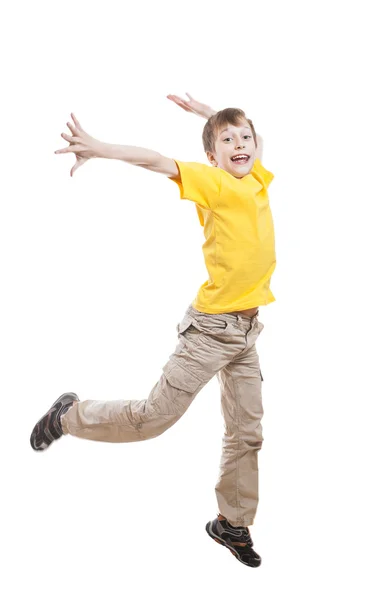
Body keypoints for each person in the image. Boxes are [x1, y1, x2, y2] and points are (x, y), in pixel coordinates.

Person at [30, 93, 276, 569]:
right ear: (212, 157)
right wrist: (99, 147)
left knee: (247, 433)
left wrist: (215, 118)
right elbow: (156, 160)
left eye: (245, 137)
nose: (242, 144)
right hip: (211, 331)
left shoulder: (257, 176)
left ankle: (232, 523)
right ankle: (68, 416)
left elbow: (253, 138)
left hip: (247, 334)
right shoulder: (215, 182)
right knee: (152, 420)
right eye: (229, 141)